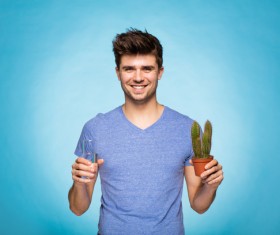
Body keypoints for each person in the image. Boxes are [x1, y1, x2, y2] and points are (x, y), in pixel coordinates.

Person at [68, 28, 224, 235]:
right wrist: (79, 184)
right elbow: (78, 208)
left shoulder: (187, 129)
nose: (138, 77)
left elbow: (198, 204)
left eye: (147, 69)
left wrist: (211, 186)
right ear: (118, 73)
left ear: (160, 72)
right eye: (129, 69)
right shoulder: (95, 129)